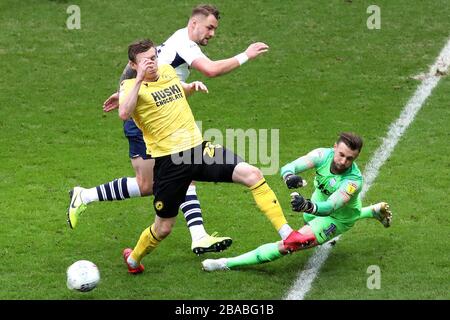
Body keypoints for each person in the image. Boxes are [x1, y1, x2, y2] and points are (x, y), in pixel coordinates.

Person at [68, 4, 269, 255]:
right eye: (209, 27)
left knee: (165, 177)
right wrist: (246, 54)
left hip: (161, 117)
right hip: (147, 122)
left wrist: (126, 90)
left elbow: (149, 74)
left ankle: (85, 196)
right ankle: (197, 235)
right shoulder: (183, 43)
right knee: (162, 179)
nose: (212, 34)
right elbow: (212, 70)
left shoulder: (175, 41)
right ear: (193, 23)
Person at [118, 39, 292, 274]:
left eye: (154, 56)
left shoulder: (167, 71)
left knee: (253, 174)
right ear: (133, 64)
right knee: (163, 228)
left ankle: (288, 234)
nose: (152, 62)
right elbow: (124, 113)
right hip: (171, 163)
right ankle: (134, 260)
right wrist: (139, 78)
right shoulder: (130, 86)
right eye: (145, 60)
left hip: (199, 150)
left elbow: (176, 92)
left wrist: (191, 87)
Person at [201, 132, 393, 271]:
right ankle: (373, 211)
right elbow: (289, 166)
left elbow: (331, 207)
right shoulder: (322, 155)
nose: (343, 162)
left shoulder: (353, 181)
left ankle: (227, 263)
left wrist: (308, 205)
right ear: (334, 147)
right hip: (320, 199)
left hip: (337, 218)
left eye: (350, 159)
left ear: (356, 158)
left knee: (290, 244)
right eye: (341, 154)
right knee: (308, 217)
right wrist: (289, 177)